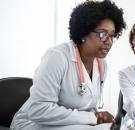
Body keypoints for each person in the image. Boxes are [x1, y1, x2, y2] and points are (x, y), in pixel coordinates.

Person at [10, 0, 126, 130]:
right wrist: (94, 118)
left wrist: (98, 117)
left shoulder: (102, 66)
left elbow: (86, 107)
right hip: (33, 124)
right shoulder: (57, 57)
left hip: (71, 125)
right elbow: (39, 110)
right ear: (83, 33)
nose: (109, 41)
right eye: (103, 34)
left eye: (112, 35)